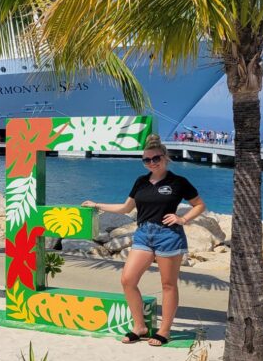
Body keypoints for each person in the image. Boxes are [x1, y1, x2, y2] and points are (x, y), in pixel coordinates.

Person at [83, 135, 206, 346]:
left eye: (155, 158)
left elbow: (199, 205)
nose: (151, 163)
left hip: (168, 236)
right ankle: (139, 326)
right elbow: (126, 208)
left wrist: (183, 218)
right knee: (128, 280)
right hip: (143, 234)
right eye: (146, 160)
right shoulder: (141, 181)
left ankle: (164, 331)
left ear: (165, 157)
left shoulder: (178, 182)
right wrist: (97, 205)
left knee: (168, 285)